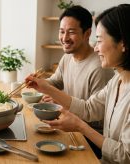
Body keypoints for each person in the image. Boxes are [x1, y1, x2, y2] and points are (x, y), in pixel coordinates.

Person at [26, 4, 130, 163]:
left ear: (123, 44)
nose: (96, 48)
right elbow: (88, 108)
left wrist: (80, 126)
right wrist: (44, 86)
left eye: (100, 40)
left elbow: (125, 156)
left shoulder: (104, 72)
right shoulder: (117, 81)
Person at [41, 5, 114, 158]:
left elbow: (95, 115)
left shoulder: (99, 67)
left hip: (90, 139)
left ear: (87, 33)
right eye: (62, 31)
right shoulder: (67, 57)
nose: (64, 38)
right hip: (70, 127)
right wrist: (37, 82)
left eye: (71, 32)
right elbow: (55, 82)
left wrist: (58, 99)